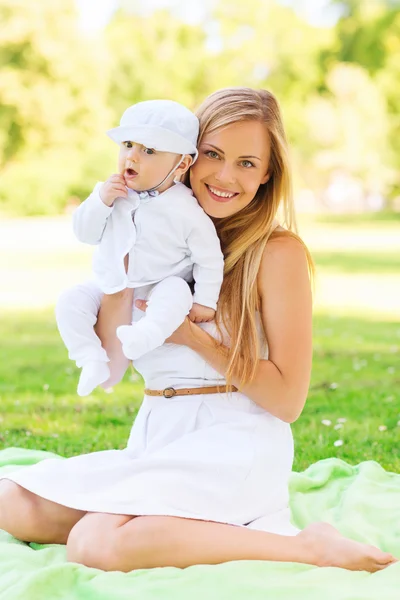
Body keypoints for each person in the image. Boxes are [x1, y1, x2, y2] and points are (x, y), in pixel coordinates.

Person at [0, 88, 397, 574]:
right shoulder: (155, 237)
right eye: (213, 154)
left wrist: (193, 338)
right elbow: (113, 366)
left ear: (268, 174)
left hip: (234, 441)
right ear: (183, 156)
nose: (226, 176)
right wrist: (120, 261)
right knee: (12, 502)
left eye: (248, 163)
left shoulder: (277, 253)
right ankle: (177, 529)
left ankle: (307, 548)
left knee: (95, 543)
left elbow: (288, 400)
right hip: (160, 434)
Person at [55, 99, 224, 397]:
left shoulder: (186, 210)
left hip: (157, 288)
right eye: (128, 144)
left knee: (177, 293)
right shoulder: (110, 192)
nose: (132, 156)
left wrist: (205, 301)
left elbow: (209, 258)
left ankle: (145, 335)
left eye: (149, 151)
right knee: (70, 301)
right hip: (112, 284)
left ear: (181, 164)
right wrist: (101, 202)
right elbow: (85, 233)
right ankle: (89, 357)